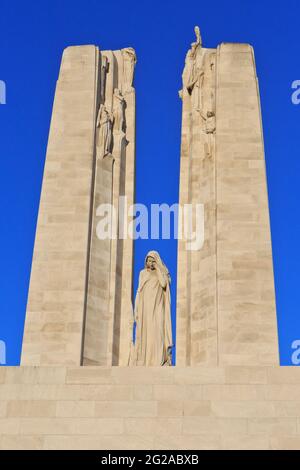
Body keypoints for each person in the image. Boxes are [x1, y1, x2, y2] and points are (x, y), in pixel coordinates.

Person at [129, 251, 173, 366]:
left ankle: (158, 361)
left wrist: (159, 269)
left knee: (157, 332)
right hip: (145, 309)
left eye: (153, 260)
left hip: (158, 308)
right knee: (145, 334)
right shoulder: (143, 273)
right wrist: (137, 308)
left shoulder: (162, 273)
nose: (151, 263)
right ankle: (145, 361)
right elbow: (139, 290)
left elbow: (163, 284)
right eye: (149, 260)